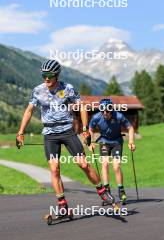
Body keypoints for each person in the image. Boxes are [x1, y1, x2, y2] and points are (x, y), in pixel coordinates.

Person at [16, 60, 115, 216]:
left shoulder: (67, 88)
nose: (46, 79)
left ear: (57, 75)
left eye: (49, 75)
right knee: (54, 170)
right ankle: (62, 205)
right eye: (43, 75)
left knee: (83, 164)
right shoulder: (37, 91)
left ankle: (102, 191)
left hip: (68, 131)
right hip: (49, 134)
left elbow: (82, 107)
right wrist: (21, 132)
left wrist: (84, 129)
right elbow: (29, 111)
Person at [88, 98, 136, 204]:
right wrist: (90, 142)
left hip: (117, 142)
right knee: (104, 164)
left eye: (108, 110)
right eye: (102, 110)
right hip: (104, 141)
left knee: (116, 166)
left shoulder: (119, 116)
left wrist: (131, 141)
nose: (105, 113)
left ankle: (121, 190)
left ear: (111, 109)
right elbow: (90, 129)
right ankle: (106, 192)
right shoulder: (96, 117)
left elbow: (130, 128)